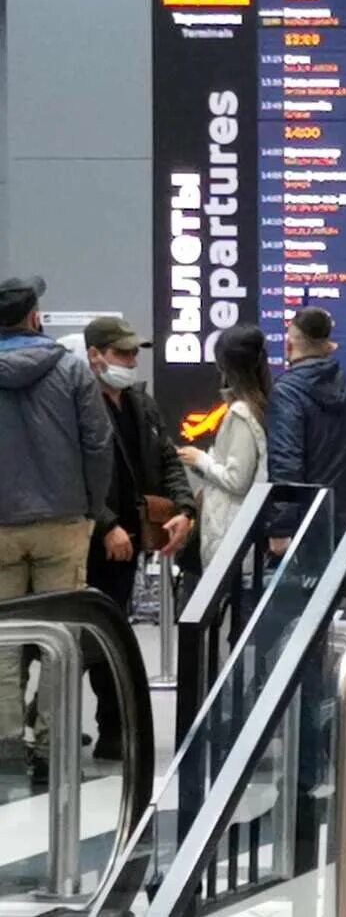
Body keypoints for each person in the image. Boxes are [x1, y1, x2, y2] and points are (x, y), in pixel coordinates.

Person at [0, 275, 113, 782]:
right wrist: (91, 508)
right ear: (34, 317)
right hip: (63, 521)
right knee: (60, 639)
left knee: (2, 644)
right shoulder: (71, 369)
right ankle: (52, 745)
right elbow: (97, 443)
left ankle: (4, 746)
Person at [83, 315, 197, 760]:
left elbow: (168, 459)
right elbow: (78, 473)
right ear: (96, 356)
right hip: (95, 536)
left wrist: (184, 509)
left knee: (114, 628)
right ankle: (100, 726)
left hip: (132, 536)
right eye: (122, 353)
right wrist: (106, 522)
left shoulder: (141, 405)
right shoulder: (82, 403)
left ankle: (111, 727)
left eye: (134, 354)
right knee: (92, 631)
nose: (131, 361)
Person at [267, 308, 346, 543]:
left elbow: (286, 464)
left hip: (301, 530)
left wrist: (280, 529)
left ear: (289, 345)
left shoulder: (287, 394)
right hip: (343, 526)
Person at [178, 324, 271, 568]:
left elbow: (237, 480)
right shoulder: (263, 406)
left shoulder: (241, 413)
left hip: (232, 533)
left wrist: (200, 460)